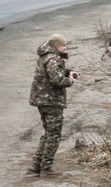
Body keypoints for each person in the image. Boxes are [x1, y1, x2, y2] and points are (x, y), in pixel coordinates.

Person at [27, 34, 80, 177]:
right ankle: (46, 168)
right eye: (63, 45)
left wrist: (68, 71)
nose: (66, 47)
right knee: (54, 135)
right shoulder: (53, 58)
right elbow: (57, 80)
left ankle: (35, 166)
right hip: (51, 101)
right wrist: (70, 80)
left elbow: (52, 72)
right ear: (56, 46)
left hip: (42, 101)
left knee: (48, 133)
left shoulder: (45, 56)